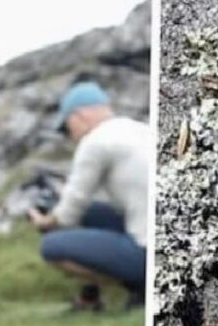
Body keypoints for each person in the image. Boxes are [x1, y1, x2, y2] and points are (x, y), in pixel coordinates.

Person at [29, 82, 150, 311]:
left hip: (149, 249)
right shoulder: (140, 129)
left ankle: (143, 287)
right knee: (91, 214)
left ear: (79, 116)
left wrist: (45, 221)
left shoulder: (94, 141)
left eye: (67, 128)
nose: (70, 136)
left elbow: (68, 214)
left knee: (52, 247)